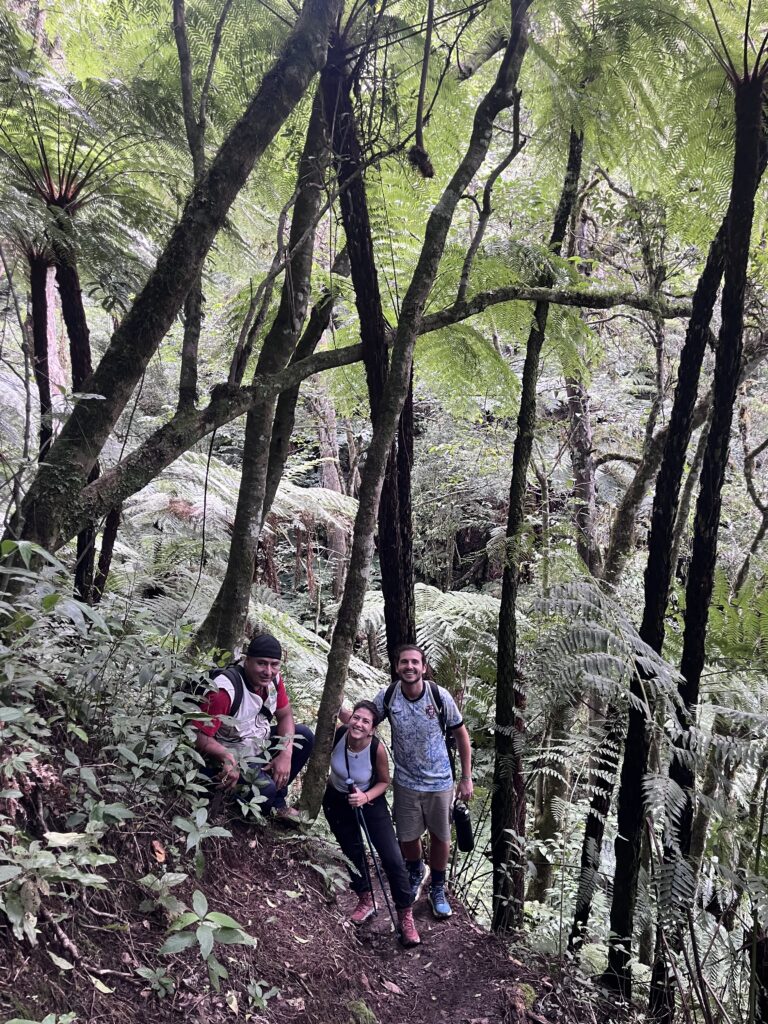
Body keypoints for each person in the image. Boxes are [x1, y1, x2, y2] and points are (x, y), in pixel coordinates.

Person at [374, 644, 473, 919]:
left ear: (423, 667)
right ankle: (416, 869)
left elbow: (461, 735)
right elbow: (367, 721)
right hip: (405, 780)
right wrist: (343, 715)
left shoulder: (438, 696)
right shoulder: (388, 696)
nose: (409, 667)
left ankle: (438, 887)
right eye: (404, 662)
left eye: (415, 662)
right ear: (397, 667)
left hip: (440, 781)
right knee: (408, 835)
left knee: (441, 836)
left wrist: (466, 777)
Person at [322, 700, 420, 947]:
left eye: (366, 721)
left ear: (372, 729)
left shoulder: (376, 749)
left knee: (392, 858)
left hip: (370, 801)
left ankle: (405, 915)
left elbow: (384, 781)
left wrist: (365, 797)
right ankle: (365, 899)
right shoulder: (338, 735)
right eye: (356, 718)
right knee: (352, 851)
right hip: (337, 799)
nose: (359, 724)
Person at [194, 633, 314, 820]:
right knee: (265, 790)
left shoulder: (273, 681)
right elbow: (198, 734)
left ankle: (278, 803)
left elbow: (285, 715)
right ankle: (242, 810)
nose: (268, 671)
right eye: (262, 663)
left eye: (274, 664)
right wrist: (225, 756)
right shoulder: (225, 691)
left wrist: (285, 753)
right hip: (228, 757)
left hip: (258, 745)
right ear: (247, 660)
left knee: (304, 736)